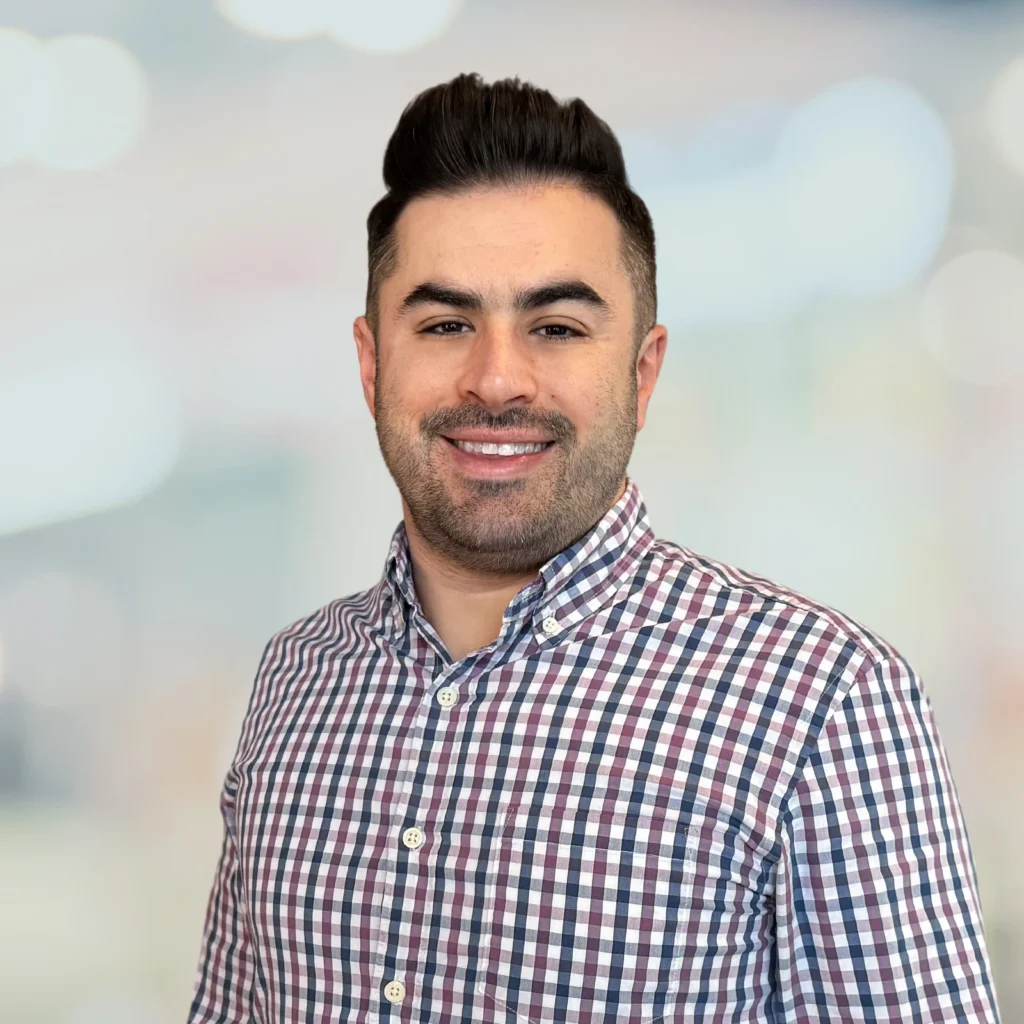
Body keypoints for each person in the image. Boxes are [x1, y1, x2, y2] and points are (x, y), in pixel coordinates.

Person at [188, 73, 1001, 1023]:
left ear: (643, 372)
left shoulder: (820, 704)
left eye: (558, 327)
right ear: (372, 364)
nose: (496, 378)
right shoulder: (296, 679)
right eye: (445, 323)